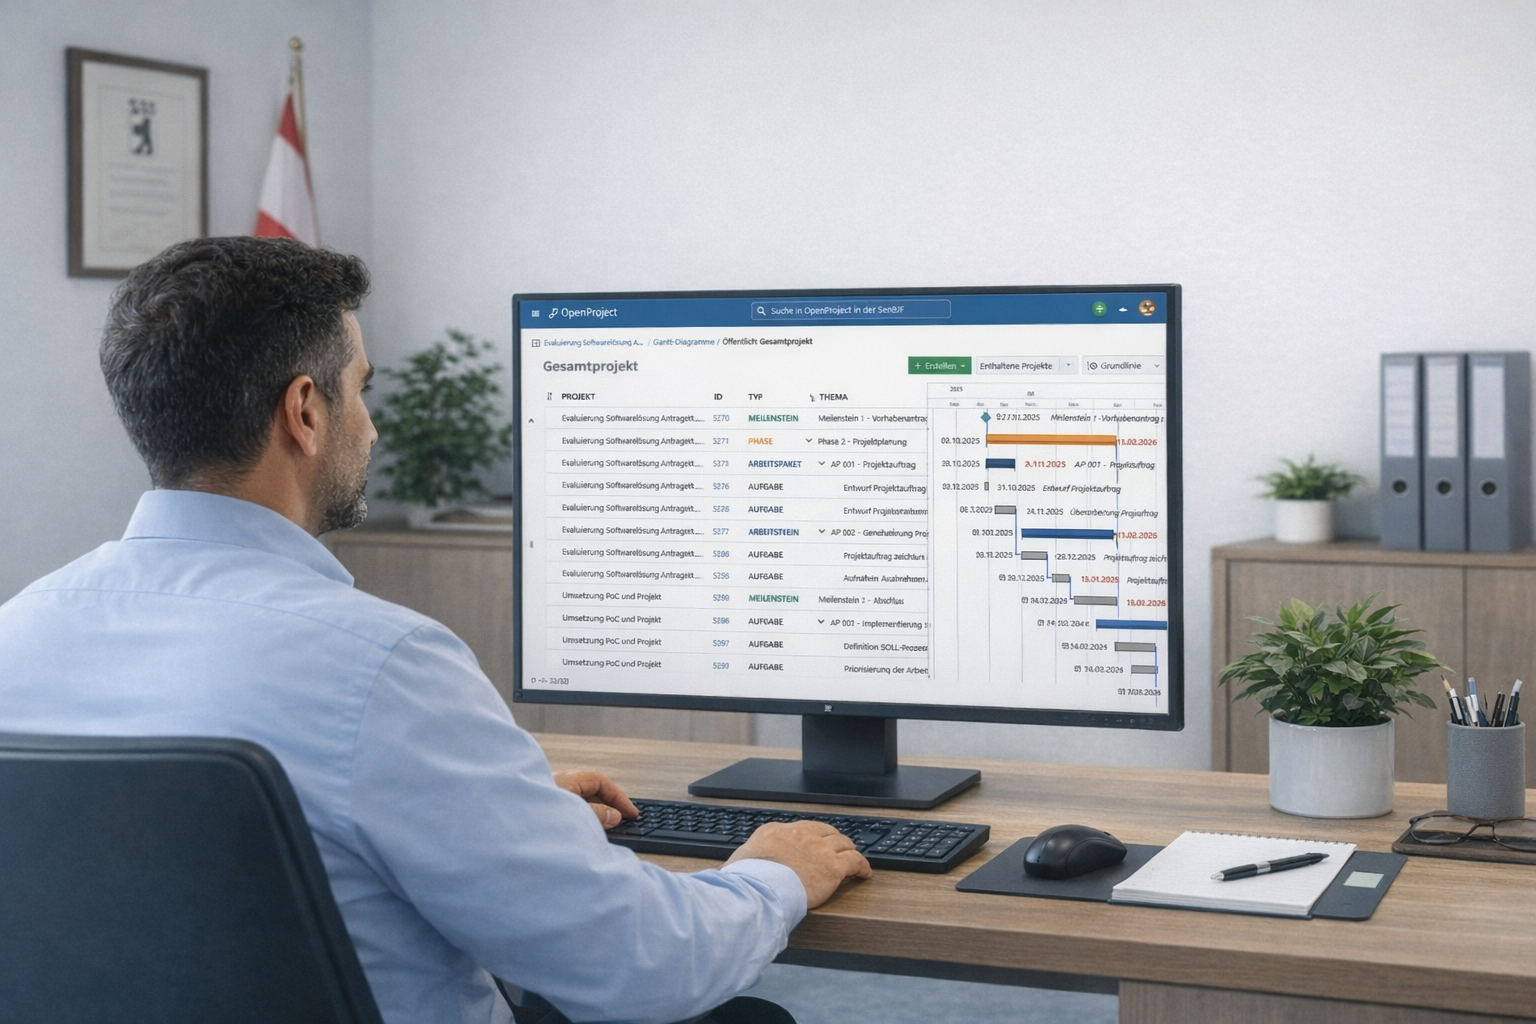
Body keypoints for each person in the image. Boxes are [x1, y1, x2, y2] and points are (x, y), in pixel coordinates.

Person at [0, 237, 870, 1024]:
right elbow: (640, 968)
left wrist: (493, 807)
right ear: (303, 411)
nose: (371, 426)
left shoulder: (19, 634)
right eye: (361, 390)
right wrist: (775, 871)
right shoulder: (378, 666)